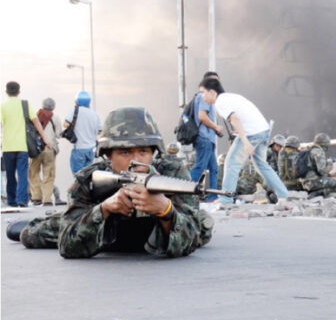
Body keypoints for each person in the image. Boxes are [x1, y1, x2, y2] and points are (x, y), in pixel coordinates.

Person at [17, 106, 212, 258]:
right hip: (104, 235)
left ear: (154, 152)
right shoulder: (89, 179)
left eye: (143, 152)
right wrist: (105, 209)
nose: (136, 161)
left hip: (151, 233)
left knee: (203, 225)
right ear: (108, 155)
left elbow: (190, 241)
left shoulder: (173, 173)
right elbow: (67, 246)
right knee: (28, 234)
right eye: (125, 152)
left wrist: (166, 211)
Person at [199, 78, 289, 207]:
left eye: (203, 92)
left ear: (212, 92)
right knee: (262, 164)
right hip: (263, 130)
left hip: (251, 134)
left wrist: (245, 142)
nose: (202, 96)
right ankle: (283, 194)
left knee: (231, 163)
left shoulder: (220, 102)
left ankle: (226, 200)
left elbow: (235, 118)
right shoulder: (230, 96)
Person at [1, 81, 49, 207]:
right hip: (22, 146)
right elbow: (36, 121)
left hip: (7, 147)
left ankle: (12, 200)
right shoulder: (25, 105)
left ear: (6, 92)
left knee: (10, 175)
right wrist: (44, 137)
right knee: (23, 174)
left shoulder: (3, 106)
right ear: (19, 91)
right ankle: (22, 199)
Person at [189, 71, 224, 202]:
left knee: (213, 169)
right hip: (204, 138)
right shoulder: (204, 97)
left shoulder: (201, 96)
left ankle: (213, 197)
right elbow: (202, 116)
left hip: (207, 138)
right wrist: (216, 127)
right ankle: (184, 194)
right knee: (199, 167)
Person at [29, 97, 63, 206]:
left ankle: (36, 197)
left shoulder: (35, 115)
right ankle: (47, 199)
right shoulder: (56, 117)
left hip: (36, 149)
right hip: (49, 148)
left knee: (33, 172)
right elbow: (58, 134)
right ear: (53, 107)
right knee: (48, 174)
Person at [64, 90, 102, 175]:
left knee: (78, 175)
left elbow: (65, 124)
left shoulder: (76, 111)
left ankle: (80, 188)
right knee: (87, 175)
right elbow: (100, 131)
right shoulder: (95, 114)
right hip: (91, 149)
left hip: (79, 149)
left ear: (77, 101)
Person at [298, 133, 336, 198]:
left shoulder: (309, 151)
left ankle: (313, 191)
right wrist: (329, 167)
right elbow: (322, 171)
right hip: (314, 182)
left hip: (305, 182)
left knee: (326, 180)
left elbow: (312, 170)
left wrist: (330, 175)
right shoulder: (319, 152)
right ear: (324, 144)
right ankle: (318, 193)